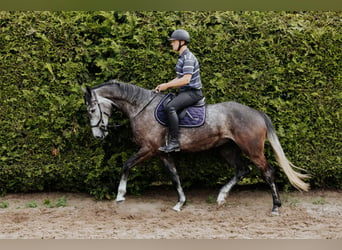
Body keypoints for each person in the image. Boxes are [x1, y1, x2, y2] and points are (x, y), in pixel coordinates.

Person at [155, 29, 203, 153]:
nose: (172, 44)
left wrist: (167, 85)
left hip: (193, 93)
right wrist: (164, 85)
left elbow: (186, 79)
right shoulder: (182, 57)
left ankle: (174, 142)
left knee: (170, 107)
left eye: (174, 41)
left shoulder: (188, 58)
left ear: (182, 42)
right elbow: (179, 77)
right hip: (185, 92)